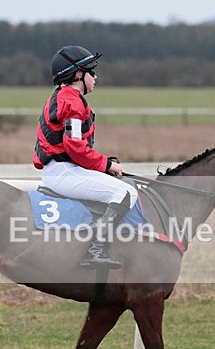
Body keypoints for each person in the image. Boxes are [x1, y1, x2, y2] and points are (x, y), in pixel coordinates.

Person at [33, 45, 138, 269]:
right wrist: (106, 164)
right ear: (79, 75)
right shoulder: (72, 102)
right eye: (92, 72)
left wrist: (103, 165)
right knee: (126, 192)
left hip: (61, 170)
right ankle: (95, 250)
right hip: (64, 173)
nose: (95, 77)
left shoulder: (63, 97)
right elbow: (75, 148)